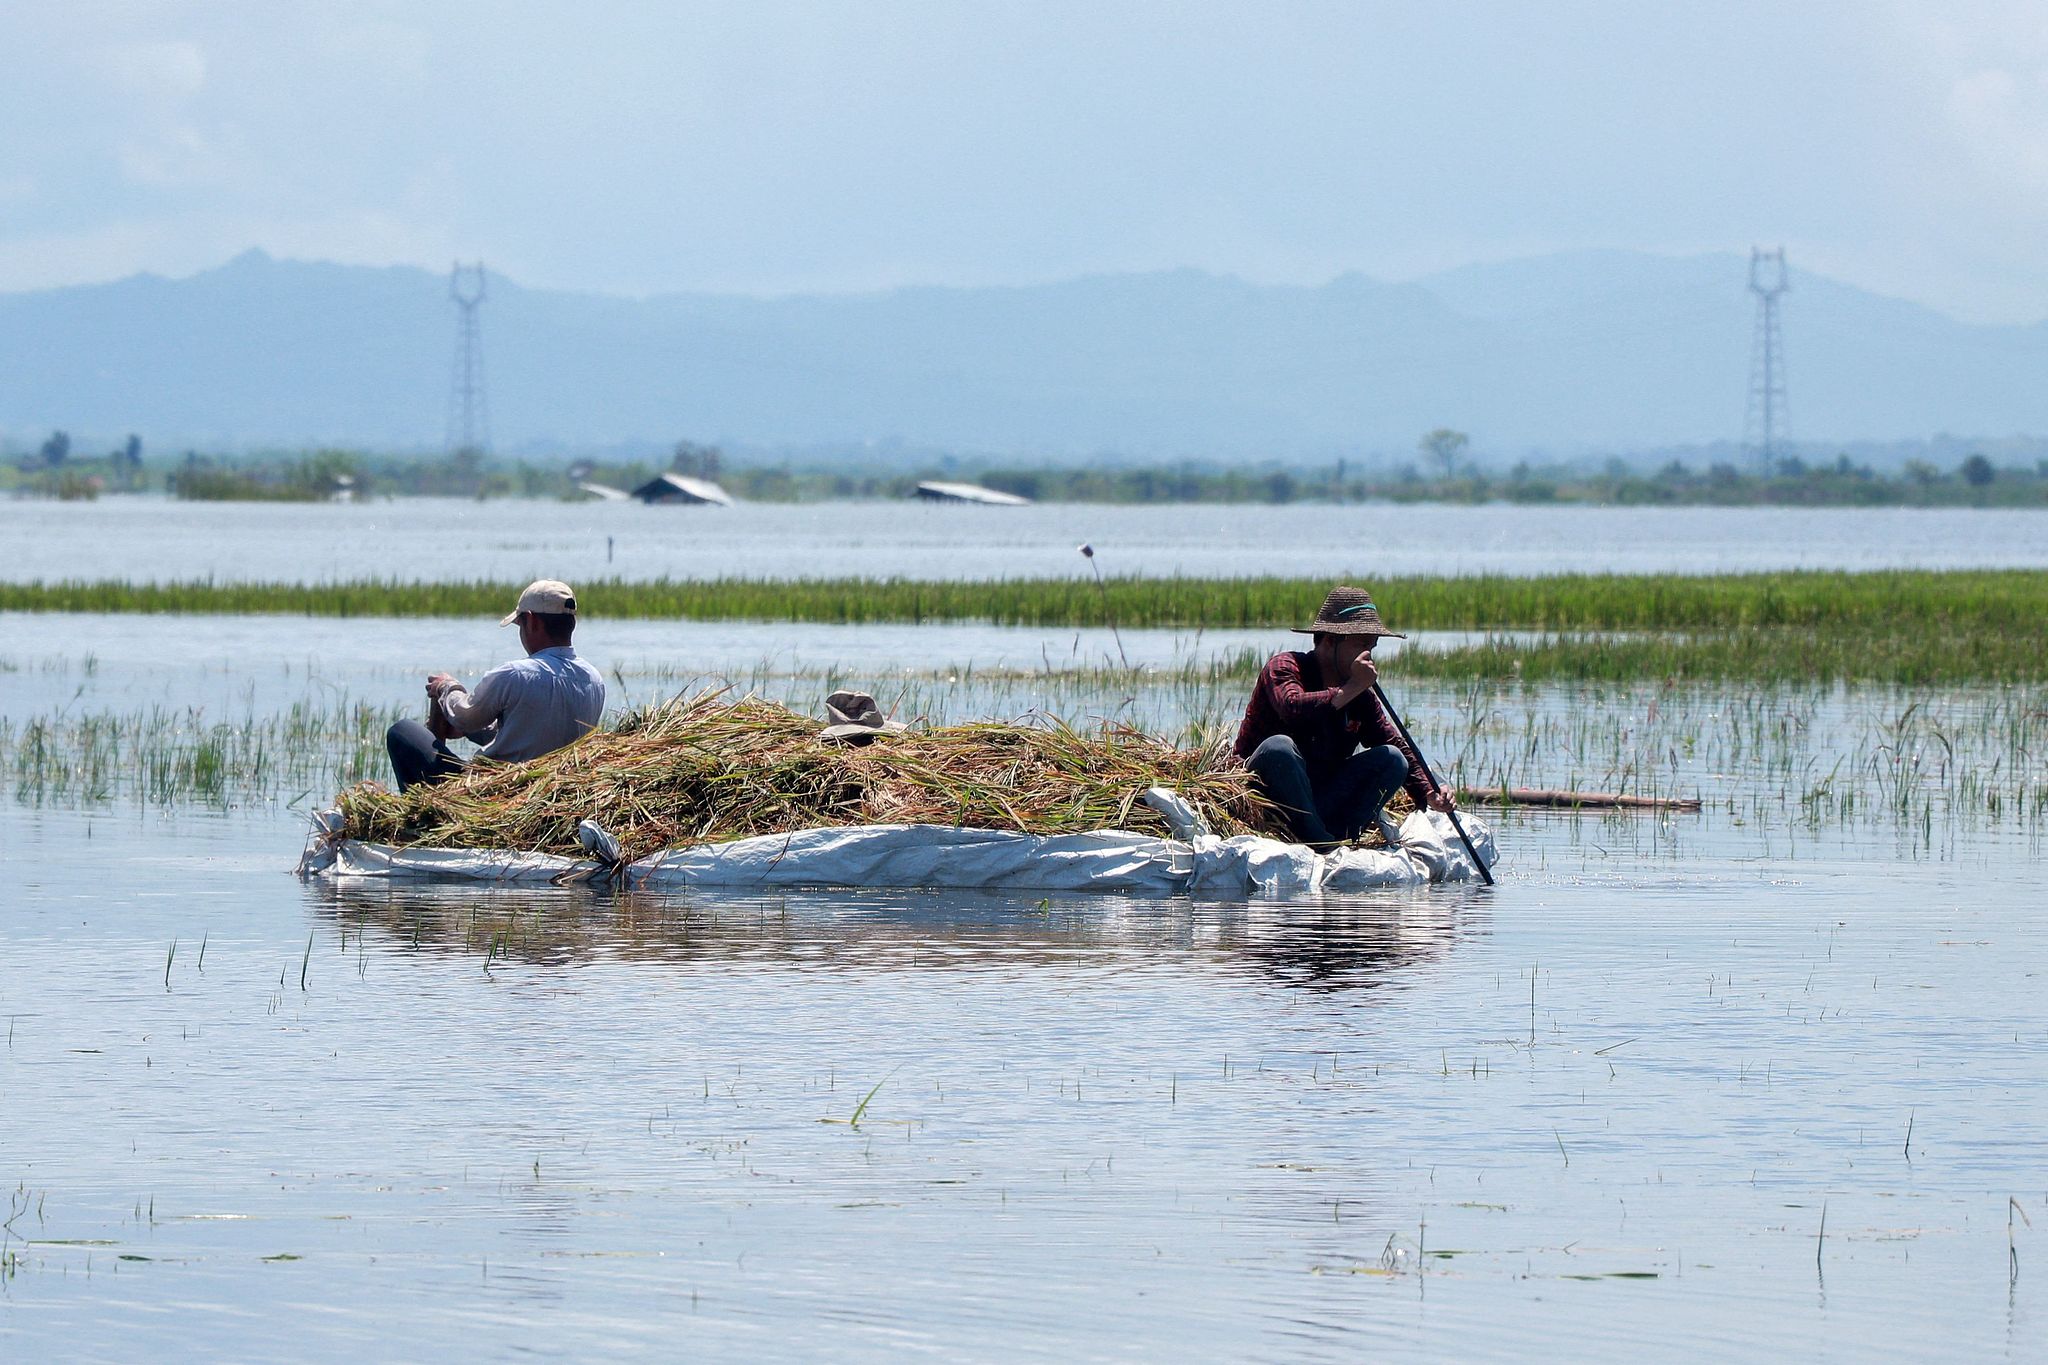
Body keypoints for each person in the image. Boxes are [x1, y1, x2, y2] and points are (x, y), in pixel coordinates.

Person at [1232, 584, 1456, 847]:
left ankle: (1337, 837)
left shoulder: (1359, 695)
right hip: (1270, 797)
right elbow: (1292, 709)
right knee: (1278, 748)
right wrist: (1350, 689)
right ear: (1330, 641)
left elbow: (1394, 742)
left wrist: (1430, 789)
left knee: (1392, 759)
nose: (1368, 657)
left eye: (1371, 647)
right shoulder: (1285, 666)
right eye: (1361, 645)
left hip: (1321, 799)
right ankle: (1322, 843)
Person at [384, 579, 607, 791]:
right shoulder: (594, 680)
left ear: (532, 621)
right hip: (549, 788)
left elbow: (465, 716)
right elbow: (531, 734)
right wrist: (474, 732)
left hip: (497, 788)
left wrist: (446, 688)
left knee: (402, 732)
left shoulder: (516, 674)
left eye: (521, 625)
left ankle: (421, 819)